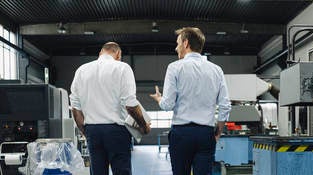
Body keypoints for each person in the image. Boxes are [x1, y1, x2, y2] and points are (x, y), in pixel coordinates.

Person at [150, 27, 231, 175]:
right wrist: (218, 132)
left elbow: (168, 104)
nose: (176, 47)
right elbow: (225, 105)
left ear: (186, 43)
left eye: (178, 43)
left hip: (181, 134)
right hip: (206, 133)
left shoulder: (174, 68)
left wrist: (159, 99)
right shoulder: (216, 70)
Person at [70, 42, 150, 175]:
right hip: (117, 131)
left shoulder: (81, 70)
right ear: (118, 54)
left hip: (92, 131)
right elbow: (130, 105)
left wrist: (86, 132)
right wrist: (143, 126)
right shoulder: (122, 68)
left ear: (100, 53)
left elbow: (75, 107)